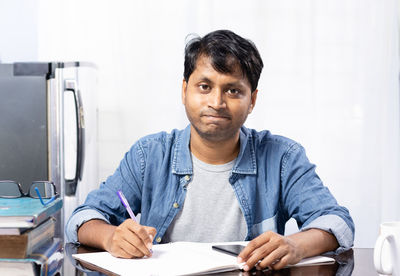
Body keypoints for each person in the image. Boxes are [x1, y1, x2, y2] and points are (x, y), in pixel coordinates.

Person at [66, 29, 354, 271]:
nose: (216, 102)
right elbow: (83, 217)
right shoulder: (149, 155)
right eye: (204, 86)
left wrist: (296, 244)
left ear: (252, 100)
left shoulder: (282, 157)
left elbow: (337, 221)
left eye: (233, 91)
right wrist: (111, 237)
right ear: (184, 90)